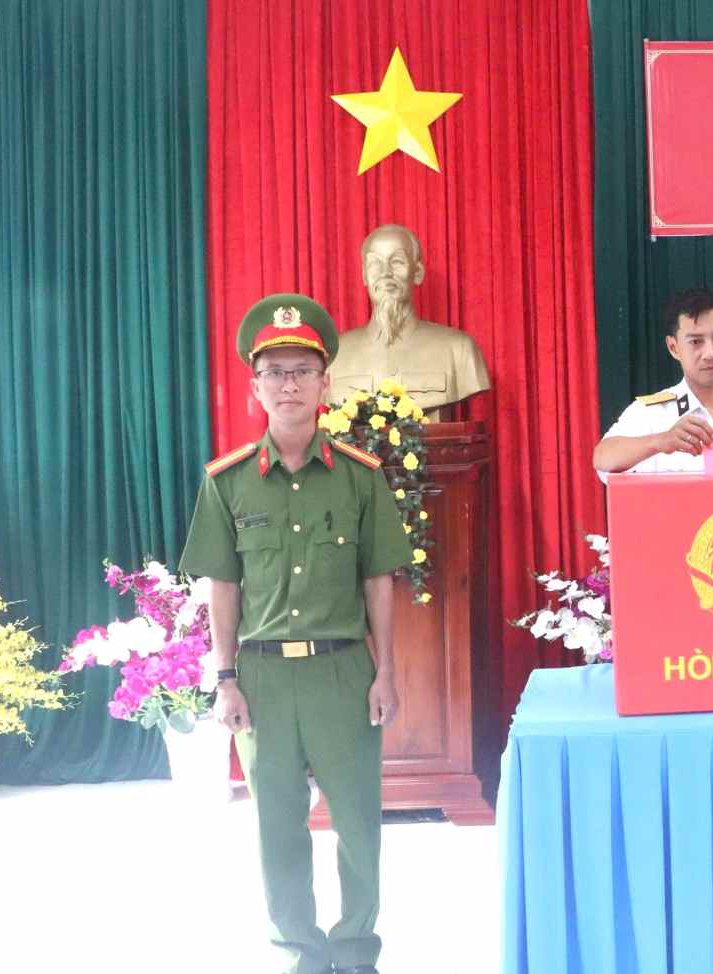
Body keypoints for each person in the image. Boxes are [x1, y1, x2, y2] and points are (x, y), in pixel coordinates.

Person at [180, 294, 412, 974]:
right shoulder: (226, 485)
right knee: (276, 826)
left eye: (301, 371)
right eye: (275, 372)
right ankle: (299, 951)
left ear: (324, 384)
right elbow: (222, 585)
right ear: (255, 388)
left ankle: (355, 949)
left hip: (343, 672)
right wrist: (224, 679)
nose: (288, 384)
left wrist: (386, 671)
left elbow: (378, 579)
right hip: (263, 678)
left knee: (358, 825)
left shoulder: (360, 479)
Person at [593, 287, 713, 480]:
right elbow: (602, 457)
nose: (711, 353)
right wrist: (661, 441)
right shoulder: (651, 414)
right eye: (696, 342)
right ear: (674, 347)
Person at [328, 223, 491, 413]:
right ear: (364, 275)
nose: (385, 273)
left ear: (418, 273)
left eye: (397, 261)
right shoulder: (335, 355)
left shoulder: (459, 350)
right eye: (375, 263)